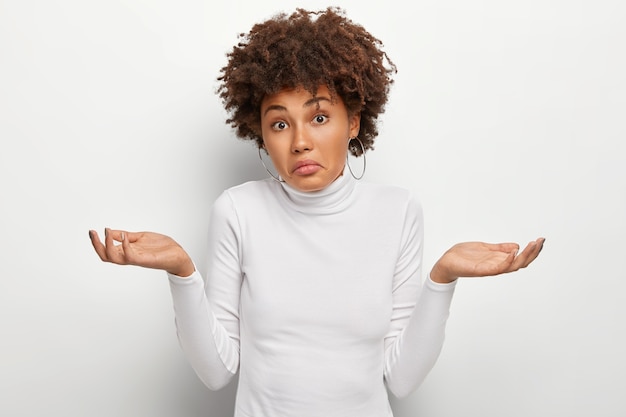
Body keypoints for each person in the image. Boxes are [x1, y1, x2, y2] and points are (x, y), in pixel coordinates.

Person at [89, 7, 544, 417]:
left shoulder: (399, 211)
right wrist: (182, 273)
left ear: (354, 122)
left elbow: (401, 379)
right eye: (280, 123)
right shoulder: (238, 211)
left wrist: (442, 278)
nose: (300, 140)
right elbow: (216, 372)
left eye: (320, 116)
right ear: (261, 135)